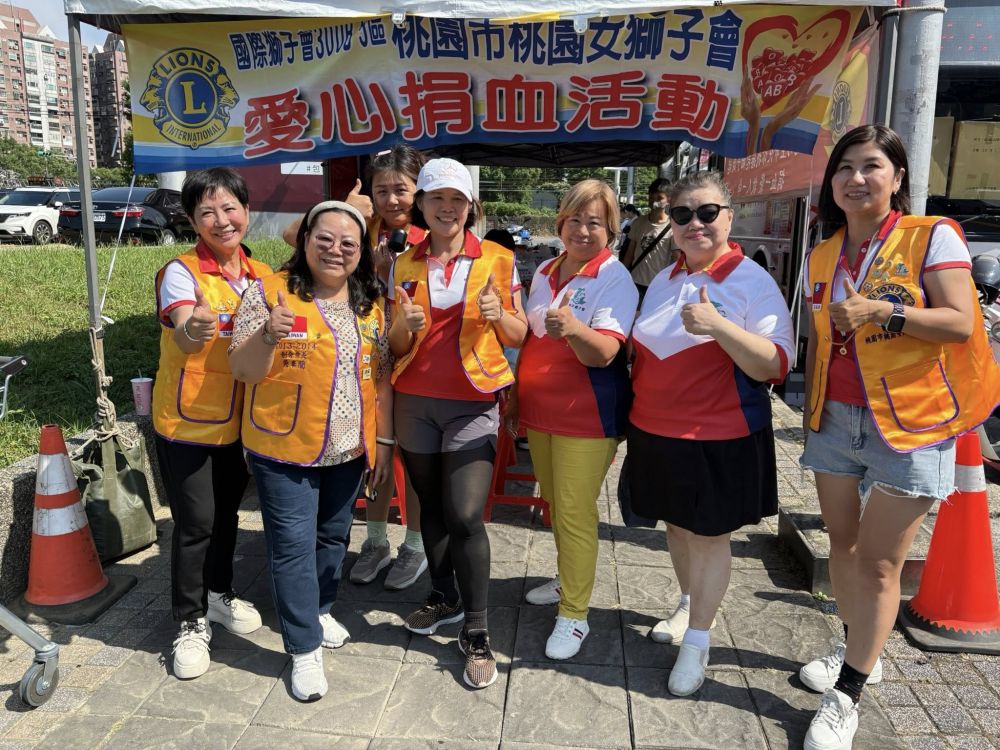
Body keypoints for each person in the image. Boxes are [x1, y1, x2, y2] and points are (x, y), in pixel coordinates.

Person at [797, 124, 999, 750]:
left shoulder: (930, 236)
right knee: (842, 546)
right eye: (844, 167)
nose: (855, 178)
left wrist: (884, 311)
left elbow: (960, 321)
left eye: (871, 166)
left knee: (881, 563)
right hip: (836, 418)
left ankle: (848, 694)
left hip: (913, 423)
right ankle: (859, 647)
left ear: (898, 177)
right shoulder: (823, 253)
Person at [627, 171, 794, 697]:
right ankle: (687, 605)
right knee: (676, 527)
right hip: (655, 429)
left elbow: (776, 363)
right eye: (682, 214)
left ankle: (699, 640)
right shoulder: (665, 277)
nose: (694, 223)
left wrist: (720, 326)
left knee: (708, 536)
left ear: (729, 217)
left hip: (718, 433)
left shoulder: (751, 280)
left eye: (706, 213)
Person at [228, 200, 393, 702]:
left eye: (348, 243)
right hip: (284, 449)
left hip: (348, 448)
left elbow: (381, 378)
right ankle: (303, 648)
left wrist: (383, 444)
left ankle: (319, 611)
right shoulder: (269, 292)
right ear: (304, 241)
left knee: (332, 538)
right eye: (324, 238)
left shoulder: (369, 305)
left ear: (361, 252)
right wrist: (268, 334)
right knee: (292, 548)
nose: (335, 250)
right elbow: (242, 369)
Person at [388, 157, 528, 688]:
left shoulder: (498, 258)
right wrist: (404, 324)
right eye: (436, 198)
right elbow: (395, 343)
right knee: (430, 507)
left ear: (471, 206)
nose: (447, 208)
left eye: (457, 199)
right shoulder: (403, 263)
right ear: (421, 205)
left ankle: (477, 627)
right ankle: (442, 596)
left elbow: (518, 335)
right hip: (414, 400)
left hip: (474, 400)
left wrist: (498, 315)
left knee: (466, 514)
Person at [507, 180, 638, 659]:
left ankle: (575, 615)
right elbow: (531, 340)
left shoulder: (614, 277)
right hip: (540, 412)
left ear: (612, 229)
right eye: (575, 220)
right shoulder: (546, 268)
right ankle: (567, 580)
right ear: (560, 222)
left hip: (587, 416)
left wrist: (576, 329)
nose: (583, 230)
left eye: (595, 222)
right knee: (555, 506)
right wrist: (517, 397)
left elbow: (604, 353)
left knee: (575, 512)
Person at [151, 168, 269, 680]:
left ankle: (219, 594)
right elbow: (184, 332)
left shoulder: (262, 275)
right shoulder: (180, 273)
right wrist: (195, 328)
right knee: (196, 523)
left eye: (229, 208)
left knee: (227, 518)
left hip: (243, 424)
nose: (221, 221)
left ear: (246, 210)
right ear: (192, 219)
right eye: (207, 212)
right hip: (189, 423)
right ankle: (189, 620)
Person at [345, 145, 430, 592]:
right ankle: (375, 541)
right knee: (374, 450)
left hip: (416, 361)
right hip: (366, 358)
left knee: (412, 456)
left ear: (419, 190)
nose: (392, 200)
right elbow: (292, 236)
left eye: (401, 189)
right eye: (382, 190)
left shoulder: (433, 233)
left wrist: (388, 276)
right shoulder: (360, 227)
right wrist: (349, 210)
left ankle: (414, 545)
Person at [620, 179, 676, 300]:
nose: (654, 202)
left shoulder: (673, 226)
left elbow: (677, 259)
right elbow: (629, 254)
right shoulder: (638, 222)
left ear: (669, 200)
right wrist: (622, 276)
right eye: (651, 197)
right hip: (635, 282)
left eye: (659, 198)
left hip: (658, 286)